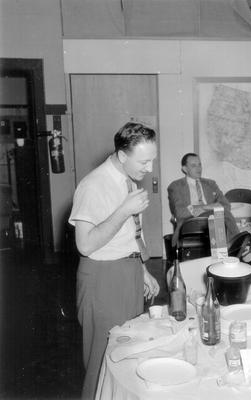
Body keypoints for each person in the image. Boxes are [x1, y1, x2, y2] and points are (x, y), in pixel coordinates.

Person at [69, 122, 160, 400]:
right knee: (103, 360)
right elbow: (85, 245)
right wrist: (123, 211)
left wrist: (142, 269)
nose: (150, 169)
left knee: (126, 353)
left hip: (128, 270)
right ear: (122, 156)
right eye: (144, 161)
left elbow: (130, 234)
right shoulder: (93, 185)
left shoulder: (127, 180)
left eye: (152, 160)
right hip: (103, 277)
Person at [167, 153, 240, 247]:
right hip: (190, 223)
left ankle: (232, 249)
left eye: (199, 164)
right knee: (222, 214)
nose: (198, 168)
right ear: (185, 169)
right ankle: (238, 246)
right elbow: (180, 213)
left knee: (223, 214)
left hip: (212, 221)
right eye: (193, 165)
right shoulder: (176, 186)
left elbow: (226, 205)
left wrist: (202, 208)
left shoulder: (211, 184)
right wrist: (210, 207)